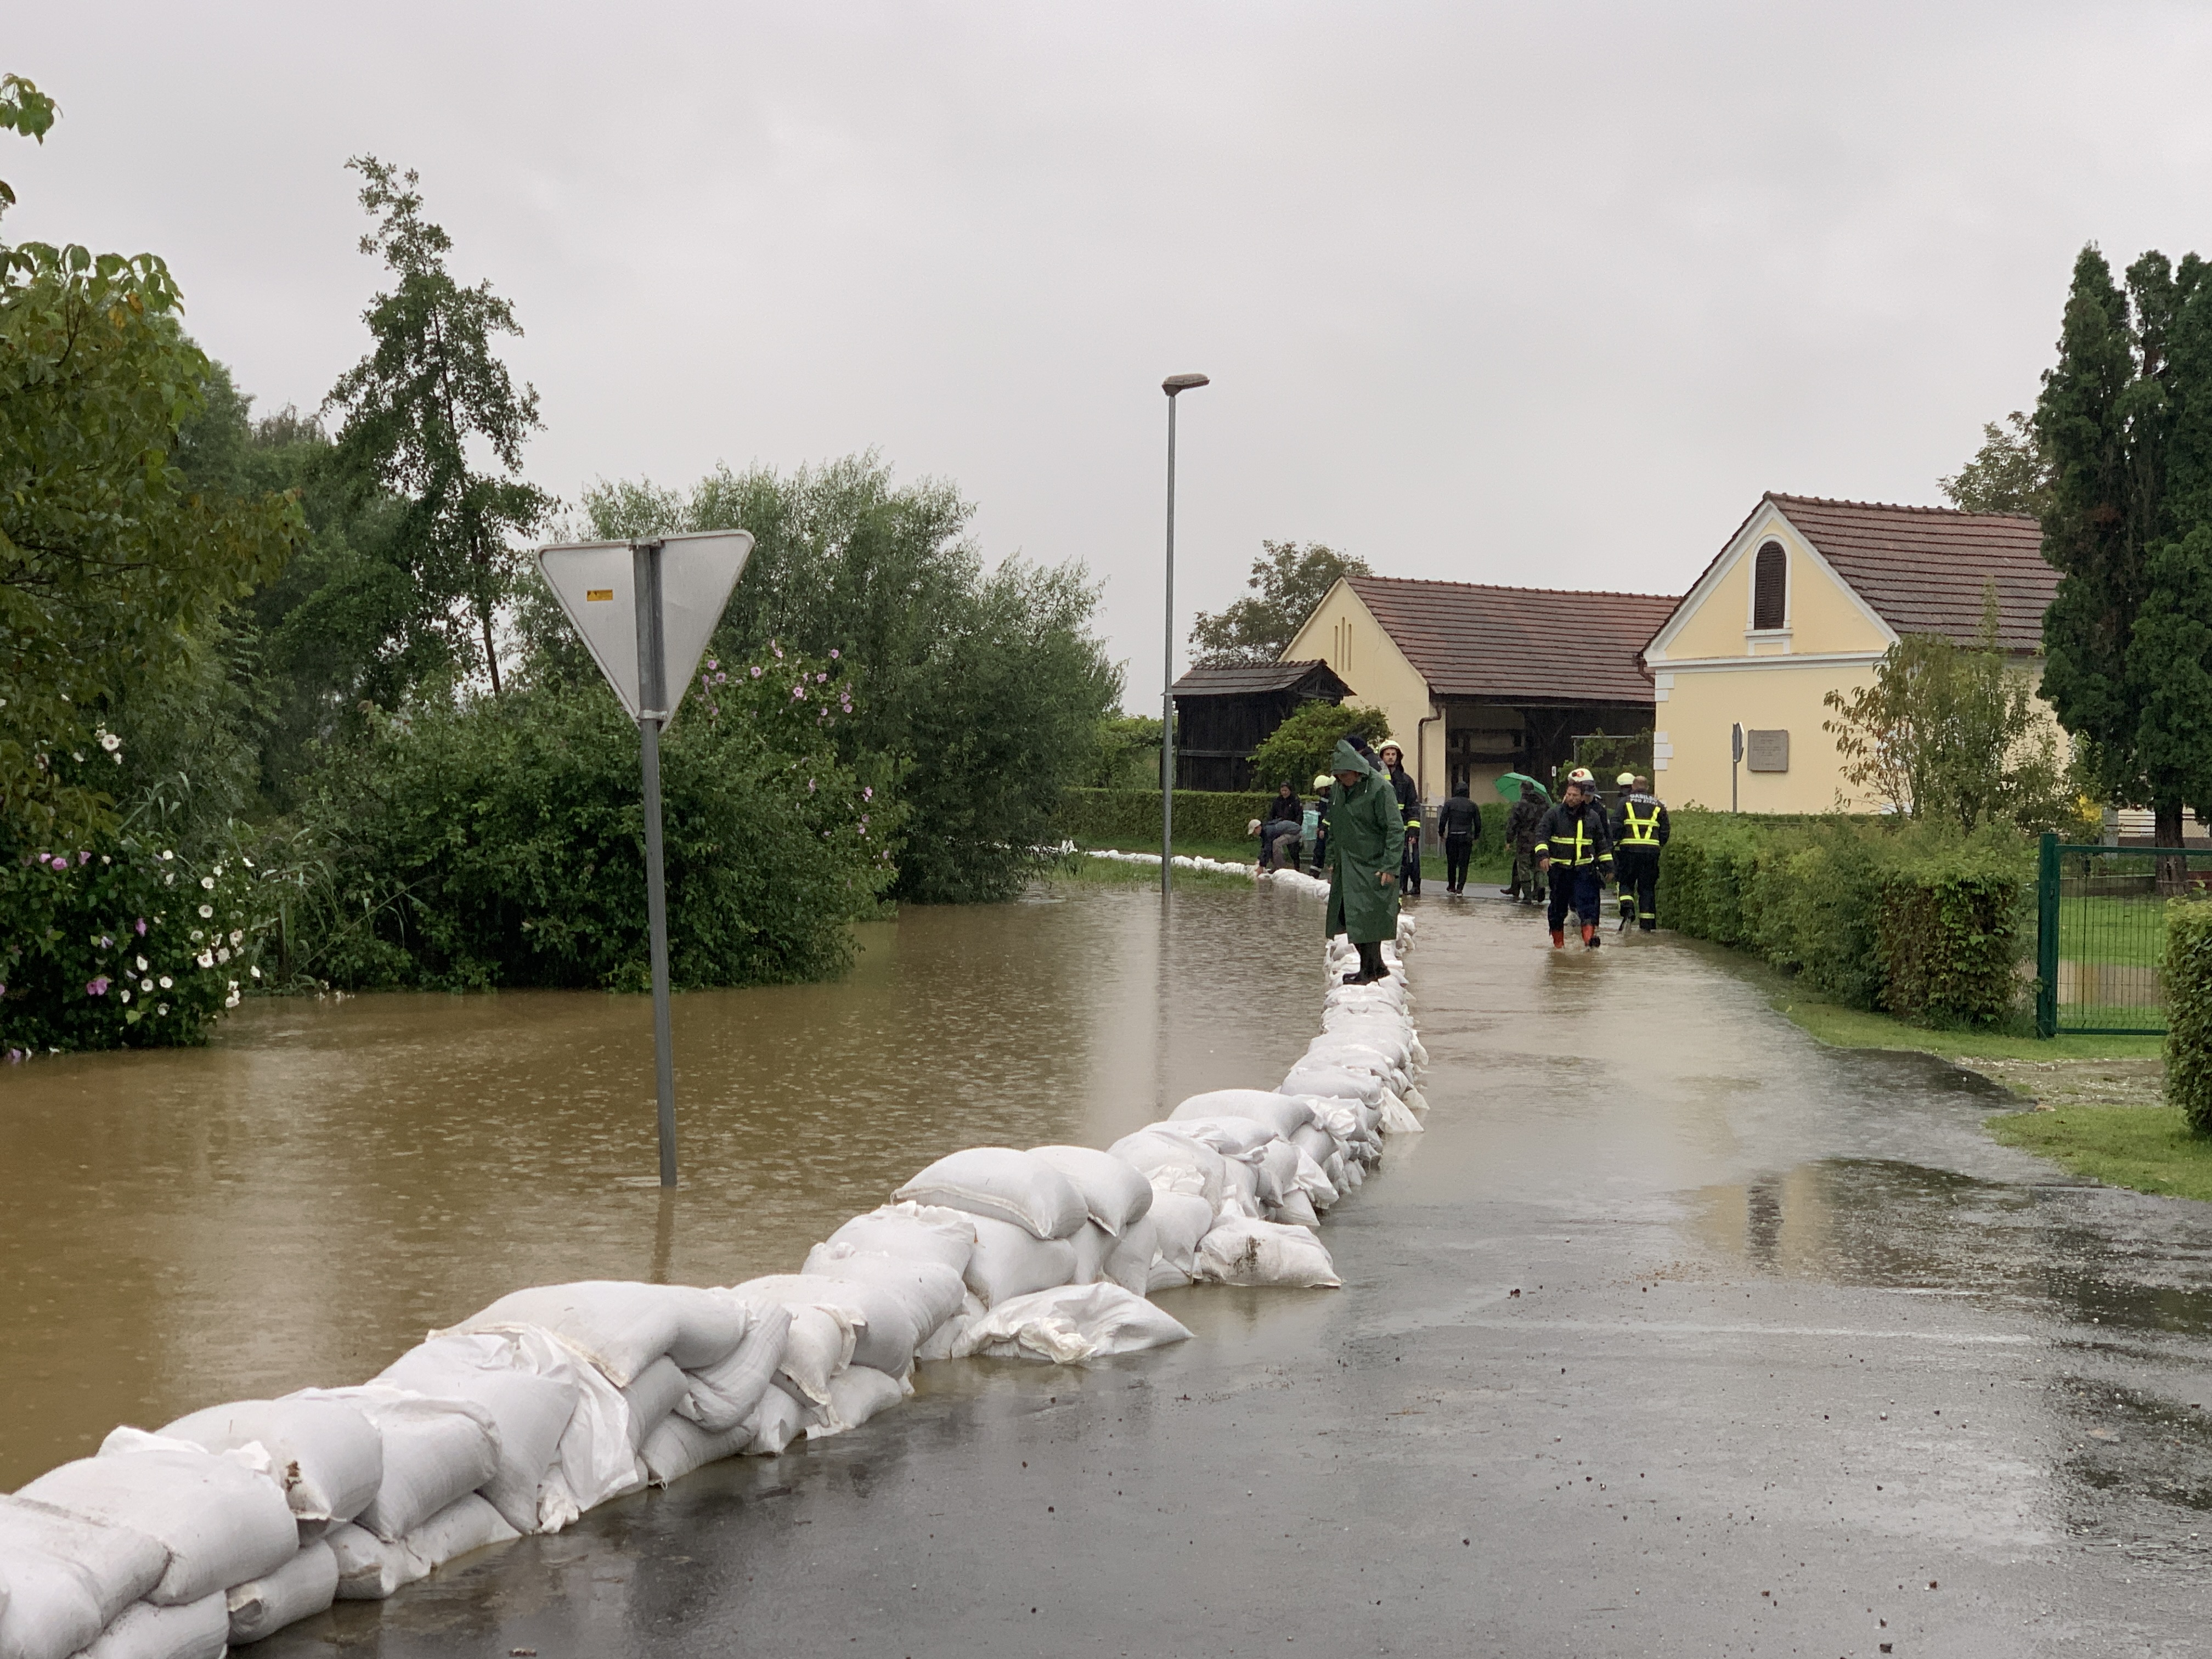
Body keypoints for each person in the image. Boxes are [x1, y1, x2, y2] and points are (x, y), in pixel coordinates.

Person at [1323, 738, 1402, 984]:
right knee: (1349, 917)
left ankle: (1369, 970)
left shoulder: (1379, 789)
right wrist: (1332, 857)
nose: (1340, 781)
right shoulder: (1338, 790)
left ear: (1356, 772)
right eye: (1337, 777)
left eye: (1344, 776)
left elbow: (1395, 828)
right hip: (1347, 862)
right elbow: (1334, 826)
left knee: (1370, 918)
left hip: (1373, 863)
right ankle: (1375, 966)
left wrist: (1390, 865)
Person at [1533, 768, 1614, 949]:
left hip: (1584, 871)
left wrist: (1608, 866)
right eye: (1569, 794)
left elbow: (1601, 843)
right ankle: (1559, 946)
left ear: (1582, 797)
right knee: (1557, 910)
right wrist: (1543, 855)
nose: (1571, 798)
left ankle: (1589, 941)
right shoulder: (1553, 815)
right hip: (1560, 872)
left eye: (1575, 795)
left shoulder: (1592, 817)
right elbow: (1541, 835)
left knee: (1588, 908)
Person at [1610, 772, 1670, 933]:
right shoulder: (1659, 805)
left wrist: (1615, 846)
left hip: (1629, 851)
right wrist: (1657, 845)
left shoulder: (1625, 802)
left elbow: (1615, 825)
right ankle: (1647, 926)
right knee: (1647, 888)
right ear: (1648, 788)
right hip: (1651, 852)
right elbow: (1665, 830)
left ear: (1633, 787)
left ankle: (1628, 910)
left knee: (1626, 883)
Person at [1376, 741, 1424, 896]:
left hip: (1402, 831)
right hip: (1381, 830)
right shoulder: (1376, 780)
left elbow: (1413, 806)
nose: (1390, 758)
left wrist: (1413, 830)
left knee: (1406, 861)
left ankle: (1403, 889)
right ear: (1381, 757)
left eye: (1393, 754)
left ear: (1398, 757)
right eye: (1387, 754)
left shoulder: (1406, 781)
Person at [1502, 784, 1549, 904]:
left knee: (1524, 867)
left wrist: (1509, 840)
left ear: (1522, 790)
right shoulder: (1544, 805)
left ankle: (1527, 896)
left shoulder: (1520, 805)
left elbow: (1513, 824)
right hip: (1540, 840)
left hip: (1524, 841)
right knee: (1538, 866)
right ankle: (1540, 887)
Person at [1437, 781, 1482, 894]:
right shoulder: (1473, 805)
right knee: (1464, 864)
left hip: (1452, 836)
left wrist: (1441, 833)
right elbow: (1478, 823)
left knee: (1451, 862)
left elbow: (1443, 820)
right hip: (1466, 837)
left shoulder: (1449, 804)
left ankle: (1451, 886)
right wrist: (1476, 836)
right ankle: (1460, 887)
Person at [1258, 782, 1303, 871]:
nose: (1284, 793)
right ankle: (1276, 866)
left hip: (1291, 828)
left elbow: (1299, 815)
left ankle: (1297, 868)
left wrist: (1296, 826)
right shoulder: (1277, 801)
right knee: (1273, 845)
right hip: (1279, 827)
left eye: (1286, 791)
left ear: (1290, 791)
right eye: (1282, 791)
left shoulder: (1295, 801)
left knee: (1294, 850)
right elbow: (1272, 814)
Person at [1308, 772, 1334, 873]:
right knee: (1319, 850)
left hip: (1330, 829)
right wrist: (1320, 827)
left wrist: (1323, 828)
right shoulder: (1325, 798)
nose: (1319, 792)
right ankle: (1314, 872)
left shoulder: (1331, 798)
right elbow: (1321, 814)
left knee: (1328, 851)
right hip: (1324, 828)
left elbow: (1329, 814)